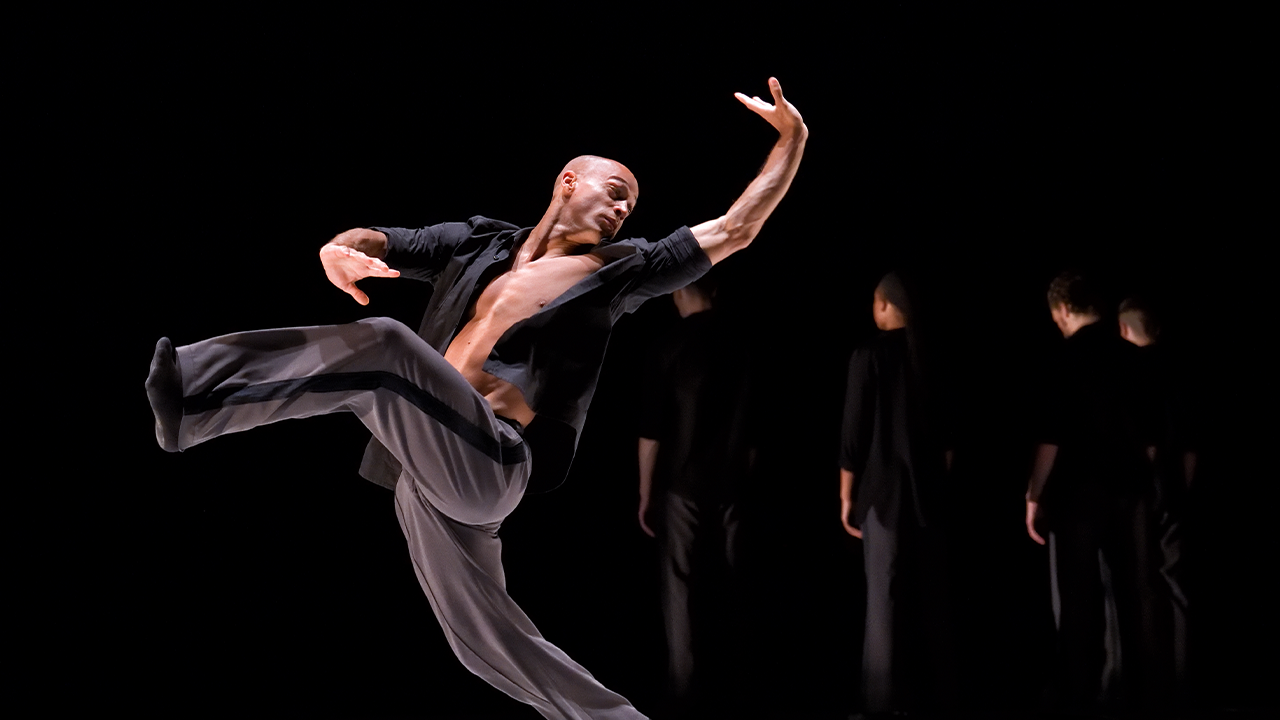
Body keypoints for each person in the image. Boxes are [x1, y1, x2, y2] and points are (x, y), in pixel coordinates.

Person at [145, 78, 807, 720]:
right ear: (567, 183)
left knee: (384, 349)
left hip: (494, 459)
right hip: (427, 473)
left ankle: (194, 397)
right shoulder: (477, 242)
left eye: (631, 205)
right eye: (615, 192)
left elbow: (735, 229)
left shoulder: (622, 271)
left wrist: (791, 141)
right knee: (487, 643)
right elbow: (388, 241)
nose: (623, 208)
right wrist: (343, 249)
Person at [1024, 272, 1163, 714]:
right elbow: (1152, 438)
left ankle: (1078, 690)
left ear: (1063, 310)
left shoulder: (1064, 360)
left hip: (1078, 491)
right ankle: (1140, 689)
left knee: (1077, 595)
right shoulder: (1132, 358)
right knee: (1134, 591)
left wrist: (1034, 494)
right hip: (1130, 487)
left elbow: (1051, 437)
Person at [636, 274, 757, 719]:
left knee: (680, 588)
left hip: (680, 486)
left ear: (676, 292)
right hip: (733, 484)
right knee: (735, 582)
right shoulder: (743, 346)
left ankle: (684, 689)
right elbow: (753, 432)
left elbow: (651, 431)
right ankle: (740, 683)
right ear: (717, 292)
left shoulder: (667, 347)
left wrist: (645, 491)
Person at [837, 271, 953, 716]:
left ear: (884, 304)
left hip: (880, 496)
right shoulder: (931, 355)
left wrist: (846, 497)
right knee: (932, 598)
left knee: (883, 599)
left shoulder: (869, 354)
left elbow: (853, 435)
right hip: (929, 494)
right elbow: (947, 444)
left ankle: (882, 702)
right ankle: (938, 697)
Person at [1119, 296, 1192, 696]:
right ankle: (1183, 679)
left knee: (1142, 585)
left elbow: (1145, 444)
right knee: (1178, 587)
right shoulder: (1178, 371)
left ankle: (1150, 682)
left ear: (1123, 331)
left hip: (1145, 490)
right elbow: (1191, 446)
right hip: (1176, 487)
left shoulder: (1132, 372)